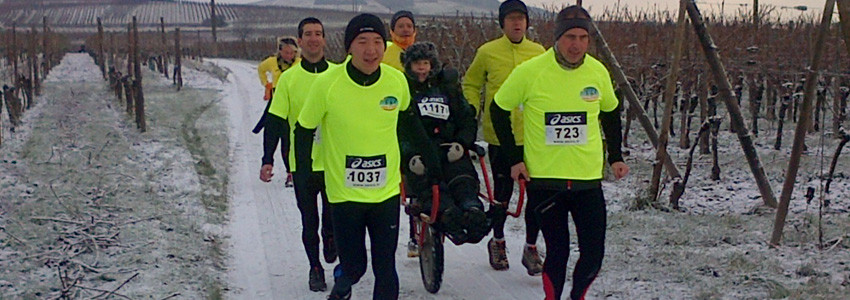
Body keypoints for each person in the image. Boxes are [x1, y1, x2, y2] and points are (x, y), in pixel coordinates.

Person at [294, 14, 440, 300]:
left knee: (385, 266)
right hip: (343, 195)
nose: (370, 50)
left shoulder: (396, 81)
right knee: (355, 266)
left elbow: (410, 124)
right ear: (349, 47)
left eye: (376, 42)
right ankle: (342, 284)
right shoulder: (326, 84)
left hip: (384, 193)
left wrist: (432, 162)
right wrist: (304, 173)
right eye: (362, 42)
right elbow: (303, 130)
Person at [490, 6, 629, 300]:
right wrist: (514, 159)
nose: (576, 44)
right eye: (569, 37)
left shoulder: (597, 71)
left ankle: (577, 296)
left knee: (594, 252)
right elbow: (498, 109)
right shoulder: (530, 71)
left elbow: (612, 112)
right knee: (558, 251)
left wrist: (615, 156)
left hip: (587, 179)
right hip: (546, 180)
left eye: (582, 37)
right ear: (556, 38)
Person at [461, 0, 546, 274]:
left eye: (521, 18)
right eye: (511, 19)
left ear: (527, 23)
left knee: (537, 196)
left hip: (533, 136)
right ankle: (497, 241)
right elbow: (471, 83)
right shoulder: (487, 52)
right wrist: (471, 109)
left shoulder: (539, 52)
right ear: (502, 23)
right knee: (502, 195)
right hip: (499, 136)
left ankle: (531, 247)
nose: (517, 23)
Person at [259, 17, 337, 292]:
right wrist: (267, 159)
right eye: (308, 34)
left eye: (318, 33)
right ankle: (315, 268)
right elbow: (276, 121)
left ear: (324, 39)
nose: (314, 38)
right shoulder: (289, 79)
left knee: (332, 217)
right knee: (308, 220)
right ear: (300, 41)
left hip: (335, 162)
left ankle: (331, 236)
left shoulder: (340, 74)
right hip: (302, 163)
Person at [400, 42, 490, 249]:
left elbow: (467, 118)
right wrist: (409, 155)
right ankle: (447, 213)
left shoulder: (448, 89)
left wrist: (462, 142)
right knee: (429, 182)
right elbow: (399, 128)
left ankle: (472, 208)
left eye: (426, 63)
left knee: (462, 176)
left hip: (450, 147)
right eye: (416, 64)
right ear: (409, 67)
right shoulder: (403, 90)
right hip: (421, 152)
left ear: (433, 65)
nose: (422, 68)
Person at [254, 36, 300, 187]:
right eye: (286, 52)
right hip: (276, 101)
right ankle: (267, 163)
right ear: (280, 51)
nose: (289, 55)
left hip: (293, 104)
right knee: (271, 133)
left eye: (292, 52)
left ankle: (290, 173)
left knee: (288, 138)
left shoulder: (300, 64)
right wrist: (266, 84)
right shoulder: (272, 62)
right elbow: (261, 69)